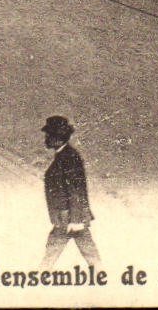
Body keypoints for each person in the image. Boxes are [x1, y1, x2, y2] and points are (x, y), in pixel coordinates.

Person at [39, 115, 103, 270]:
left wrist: (75, 220)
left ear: (58, 138)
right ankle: (101, 275)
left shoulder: (69, 157)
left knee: (54, 251)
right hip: (67, 217)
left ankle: (40, 276)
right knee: (86, 251)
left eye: (49, 135)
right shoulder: (64, 155)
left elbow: (75, 189)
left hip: (69, 217)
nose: (46, 139)